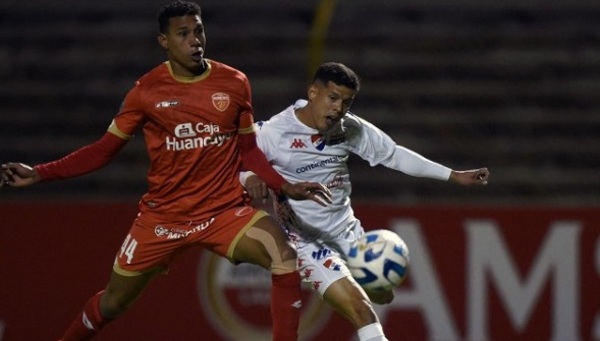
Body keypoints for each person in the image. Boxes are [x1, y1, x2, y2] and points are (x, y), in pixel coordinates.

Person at [0, 2, 333, 340]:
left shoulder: (234, 83)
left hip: (222, 211)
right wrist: (41, 172)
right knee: (112, 304)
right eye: (183, 34)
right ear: (164, 41)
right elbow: (103, 150)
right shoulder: (146, 92)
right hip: (163, 220)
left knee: (283, 255)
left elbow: (248, 150)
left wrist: (283, 185)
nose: (195, 41)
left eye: (199, 30)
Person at [240, 61, 490, 341]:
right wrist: (248, 177)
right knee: (362, 311)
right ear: (313, 93)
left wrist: (454, 175)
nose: (338, 108)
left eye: (346, 103)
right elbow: (236, 160)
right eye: (332, 98)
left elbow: (393, 154)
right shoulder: (275, 132)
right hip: (306, 242)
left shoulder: (348, 128)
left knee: (382, 295)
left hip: (349, 234)